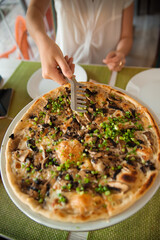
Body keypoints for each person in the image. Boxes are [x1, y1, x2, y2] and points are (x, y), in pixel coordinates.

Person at [26, 0, 134, 85]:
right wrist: (43, 43)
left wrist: (120, 53)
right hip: (62, 67)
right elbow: (34, 10)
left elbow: (126, 37)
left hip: (105, 69)